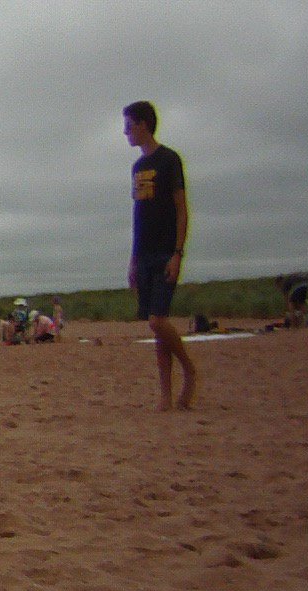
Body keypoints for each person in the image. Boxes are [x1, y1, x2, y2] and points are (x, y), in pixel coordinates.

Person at [124, 100, 194, 410]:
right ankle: (166, 394)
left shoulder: (169, 160)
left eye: (129, 125)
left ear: (143, 125)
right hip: (144, 253)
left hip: (166, 251)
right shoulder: (137, 167)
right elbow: (138, 216)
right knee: (156, 325)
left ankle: (189, 370)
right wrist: (133, 260)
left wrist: (177, 253)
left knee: (157, 321)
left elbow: (181, 209)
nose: (125, 132)